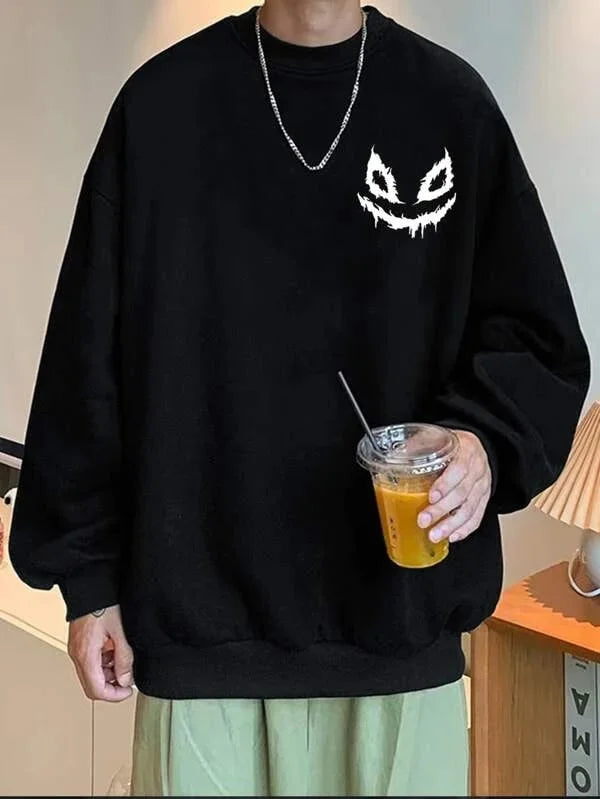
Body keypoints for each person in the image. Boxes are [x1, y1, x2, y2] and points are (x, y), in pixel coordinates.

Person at [9, 0, 590, 795]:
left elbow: (539, 341)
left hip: (397, 636)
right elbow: (86, 361)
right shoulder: (160, 110)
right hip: (199, 645)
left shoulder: (451, 105)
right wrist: (88, 580)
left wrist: (485, 443)